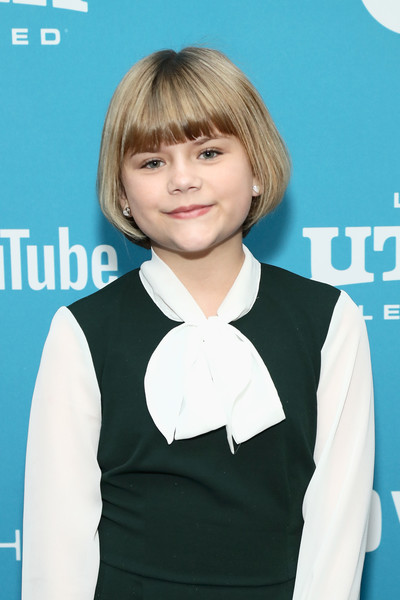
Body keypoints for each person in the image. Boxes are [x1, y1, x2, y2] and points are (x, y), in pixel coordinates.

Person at [22, 47, 374, 600]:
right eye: (152, 162)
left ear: (257, 168)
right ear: (122, 193)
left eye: (208, 152)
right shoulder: (81, 331)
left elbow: (338, 529)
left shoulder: (329, 320)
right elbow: (56, 549)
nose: (182, 180)